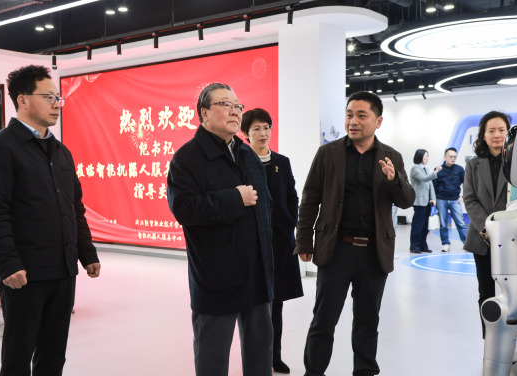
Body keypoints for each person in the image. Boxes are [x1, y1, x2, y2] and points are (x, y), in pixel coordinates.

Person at [0, 65, 101, 375]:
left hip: (62, 269)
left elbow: (74, 208)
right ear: (23, 100)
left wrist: (87, 253)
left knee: (53, 355)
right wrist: (7, 264)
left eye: (58, 98)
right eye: (49, 97)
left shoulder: (60, 152)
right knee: (18, 358)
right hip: (24, 273)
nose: (57, 104)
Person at [294, 91, 415, 376]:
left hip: (375, 252)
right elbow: (310, 198)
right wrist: (304, 240)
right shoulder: (328, 153)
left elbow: (407, 200)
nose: (353, 121)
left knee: (367, 321)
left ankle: (365, 371)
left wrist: (394, 180)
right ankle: (314, 372)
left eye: (362, 115)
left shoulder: (391, 157)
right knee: (323, 320)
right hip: (336, 248)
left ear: (378, 121)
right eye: (349, 115)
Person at [167, 83, 274, 376]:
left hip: (256, 273)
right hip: (217, 276)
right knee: (212, 358)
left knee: (260, 355)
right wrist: (234, 199)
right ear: (204, 113)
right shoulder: (187, 158)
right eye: (226, 104)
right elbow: (183, 209)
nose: (235, 111)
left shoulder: (247, 154)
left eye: (237, 106)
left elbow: (265, 208)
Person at [240, 108, 303, 374]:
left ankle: (274, 357)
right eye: (256, 128)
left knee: (276, 304)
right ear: (246, 134)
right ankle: (258, 360)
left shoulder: (281, 162)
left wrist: (288, 224)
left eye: (266, 127)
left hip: (279, 242)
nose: (263, 133)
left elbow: (292, 197)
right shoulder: (240, 162)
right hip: (252, 244)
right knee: (255, 306)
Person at [463, 110, 511, 338]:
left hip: (511, 237)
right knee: (486, 292)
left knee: (513, 292)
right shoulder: (473, 165)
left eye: (501, 130)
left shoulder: (516, 163)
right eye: (491, 130)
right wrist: (487, 227)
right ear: (483, 135)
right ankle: (490, 339)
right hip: (483, 238)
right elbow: (469, 199)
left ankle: (512, 338)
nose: (497, 135)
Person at [433, 147, 469, 252]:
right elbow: (433, 185)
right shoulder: (438, 169)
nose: (453, 158)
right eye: (450, 156)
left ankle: (467, 244)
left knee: (461, 223)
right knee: (443, 224)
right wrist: (435, 198)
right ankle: (445, 244)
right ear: (445, 157)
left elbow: (467, 183)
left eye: (454, 157)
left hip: (455, 200)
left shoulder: (459, 169)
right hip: (441, 200)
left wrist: (463, 196)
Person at [409, 149, 440, 254]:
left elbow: (430, 185)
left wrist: (433, 198)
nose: (427, 158)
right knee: (418, 225)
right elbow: (425, 179)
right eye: (426, 156)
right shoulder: (415, 168)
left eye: (428, 156)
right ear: (420, 156)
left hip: (427, 201)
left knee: (425, 226)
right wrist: (435, 171)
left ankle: (423, 245)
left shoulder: (426, 169)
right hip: (419, 201)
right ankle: (414, 246)